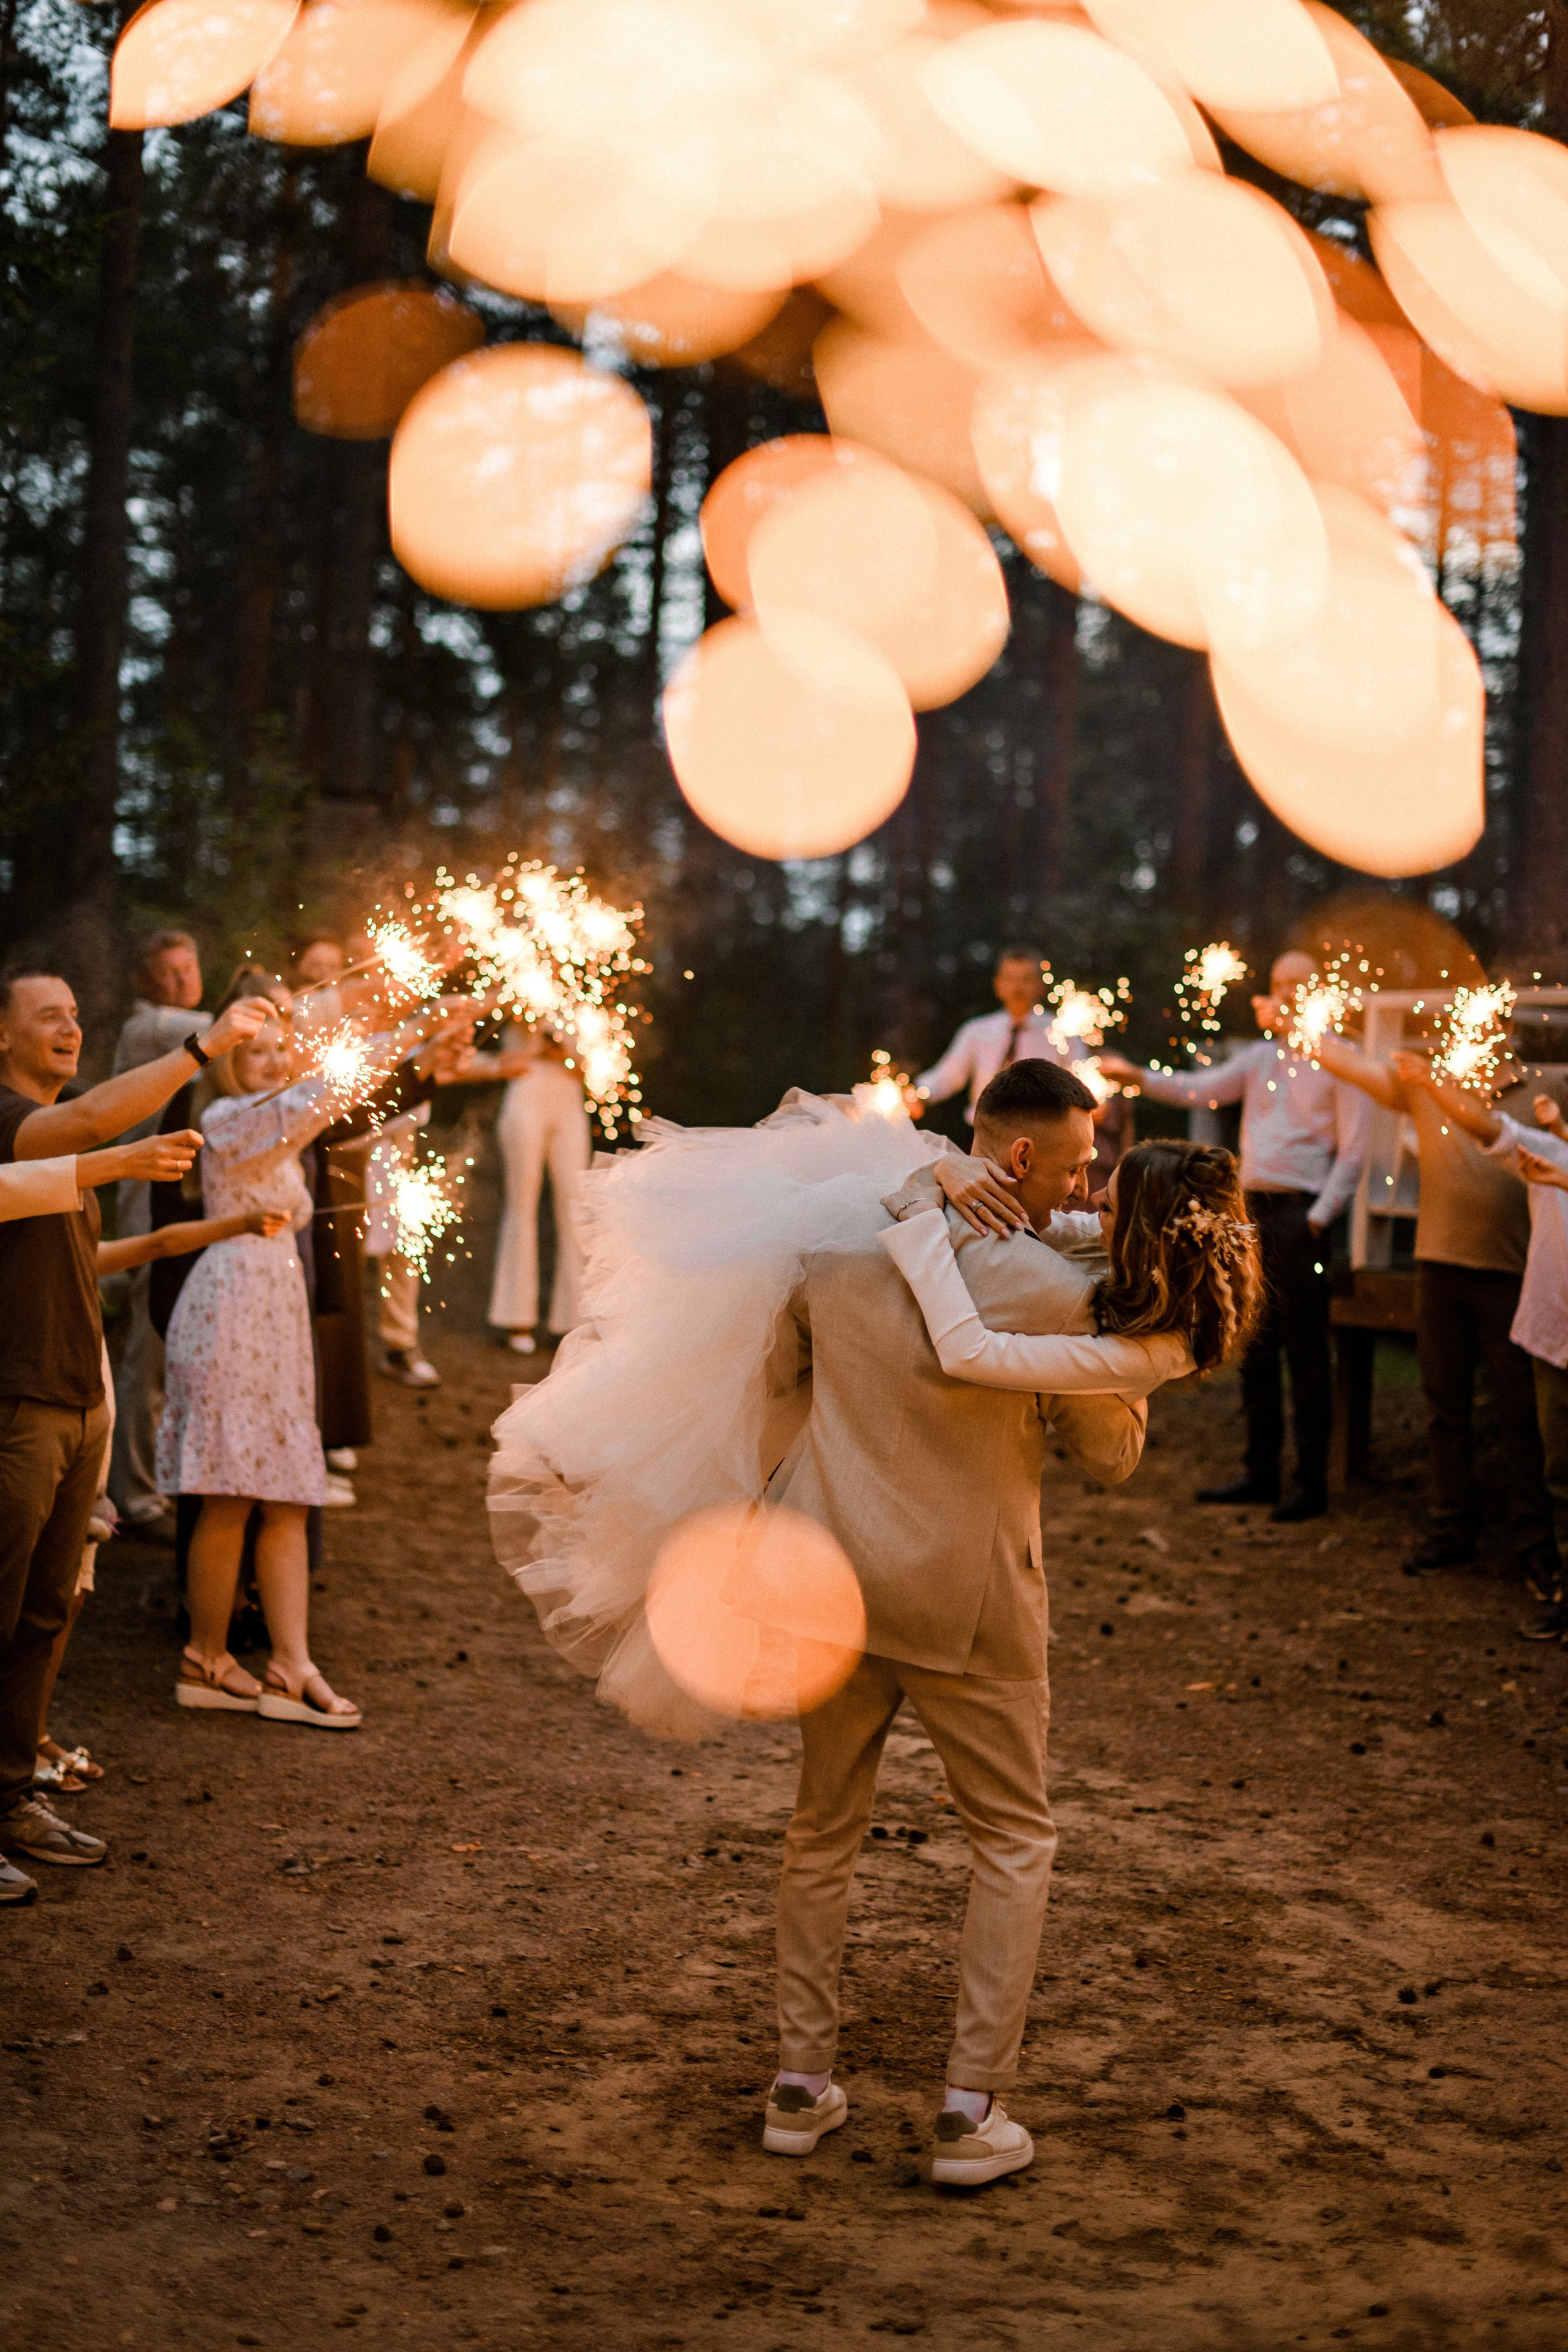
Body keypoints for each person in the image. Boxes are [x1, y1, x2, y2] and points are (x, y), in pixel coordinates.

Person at [489, 1059, 1150, 2187]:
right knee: (1014, 1840)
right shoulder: (1046, 1280)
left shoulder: (839, 1243)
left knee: (822, 1828)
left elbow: (783, 1380)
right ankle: (969, 2108)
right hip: (971, 1601)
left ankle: (799, 2086)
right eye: (1079, 1169)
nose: (1086, 1193)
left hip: (832, 1580)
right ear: (1024, 1157)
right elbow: (1112, 1457)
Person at [0, 968, 268, 1903]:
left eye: (80, 1014)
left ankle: (10, 1798)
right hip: (17, 1404)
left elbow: (87, 1253)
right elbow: (81, 1137)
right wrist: (202, 1050)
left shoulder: (62, 1142)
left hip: (80, 1402)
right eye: (49, 1017)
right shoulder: (10, 1119)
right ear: (2, 1036)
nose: (71, 1029)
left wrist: (205, 1230)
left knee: (45, 1614)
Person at [157, 998, 373, 1729]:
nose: (275, 1063)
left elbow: (328, 1097)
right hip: (229, 1309)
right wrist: (403, 1024)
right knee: (230, 1490)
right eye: (256, 1053)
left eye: (283, 1049)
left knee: (286, 1492)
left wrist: (423, 1024)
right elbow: (319, 1100)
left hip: (278, 1311)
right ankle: (206, 1656)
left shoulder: (283, 1114)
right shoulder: (226, 1121)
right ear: (228, 1069)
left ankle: (291, 1664)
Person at [1098, 949, 1370, 1524]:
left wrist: (1319, 1219)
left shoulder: (1345, 1061)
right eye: (1279, 982)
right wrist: (1136, 1077)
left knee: (1306, 1350)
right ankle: (1261, 1470)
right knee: (1256, 1344)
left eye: (1298, 984)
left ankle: (1311, 1482)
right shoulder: (1261, 1056)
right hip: (1251, 1213)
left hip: (1302, 1216)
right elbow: (1202, 1091)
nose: (1286, 992)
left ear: (1319, 991)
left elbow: (1357, 1151)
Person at [34, 1193, 290, 1796]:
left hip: (90, 1413)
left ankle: (32, 1733)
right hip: (49, 1407)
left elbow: (156, 1243)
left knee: (72, 1593)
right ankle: (16, 1749)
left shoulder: (71, 1246)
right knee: (39, 1595)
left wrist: (241, 1223)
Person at [1311, 1023, 1556, 1586]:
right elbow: (1360, 1071)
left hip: (1511, 1270)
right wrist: (1302, 1029)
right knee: (1444, 1408)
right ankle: (1452, 1529)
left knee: (1520, 1413)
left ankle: (1536, 1546)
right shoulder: (1427, 1085)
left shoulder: (1541, 1092)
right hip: (1437, 1267)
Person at [1379, 1059, 1568, 1638]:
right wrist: (1433, 1082)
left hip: (1520, 1294)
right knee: (1559, 1464)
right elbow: (1492, 1130)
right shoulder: (1544, 1146)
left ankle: (1541, 1560)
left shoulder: (1555, 1131)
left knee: (1533, 1437)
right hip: (1553, 1329)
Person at [109, 929, 211, 1534]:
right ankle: (136, 1496)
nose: (178, 980)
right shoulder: (148, 1027)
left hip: (178, 1215)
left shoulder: (192, 1027)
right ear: (147, 984)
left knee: (170, 1360)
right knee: (146, 1359)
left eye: (188, 967)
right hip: (147, 1215)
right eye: (166, 972)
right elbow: (218, 1022)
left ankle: (159, 1485)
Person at [454, 1027, 591, 1355]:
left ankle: (572, 1319)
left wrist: (573, 1056)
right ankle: (516, 1317)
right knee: (521, 1207)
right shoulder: (525, 981)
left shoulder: (584, 994)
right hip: (528, 1089)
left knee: (576, 1209)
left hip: (570, 1098)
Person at [913, 947, 1076, 1125]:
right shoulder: (977, 1031)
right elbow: (948, 1075)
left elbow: (1081, 1077)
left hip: (1042, 1135)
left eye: (1027, 979)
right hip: (984, 1133)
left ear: (1040, 985)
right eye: (1011, 979)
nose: (1018, 987)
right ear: (998, 984)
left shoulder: (1063, 1031)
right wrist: (918, 1094)